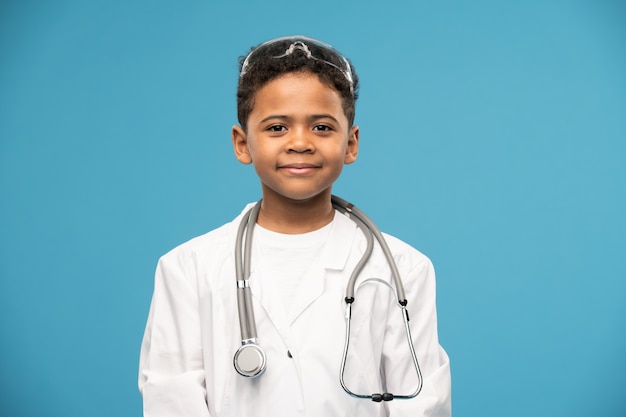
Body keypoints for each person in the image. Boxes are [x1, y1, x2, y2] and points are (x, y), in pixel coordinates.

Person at [138, 35, 451, 417]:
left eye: (321, 127)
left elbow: (421, 405)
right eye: (276, 128)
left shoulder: (403, 269)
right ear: (242, 143)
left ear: (350, 144)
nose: (300, 142)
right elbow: (172, 401)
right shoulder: (188, 268)